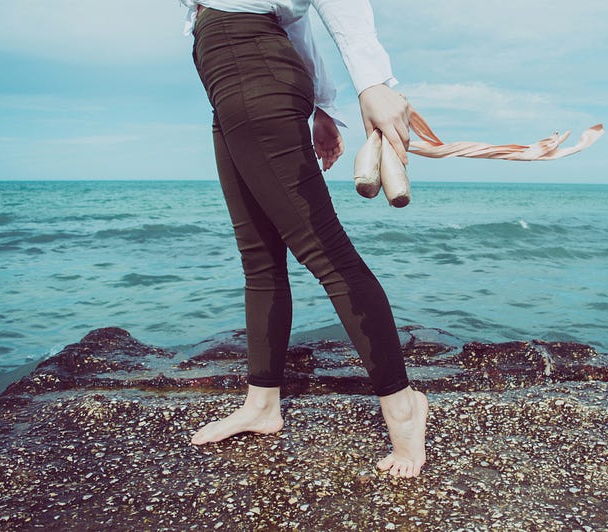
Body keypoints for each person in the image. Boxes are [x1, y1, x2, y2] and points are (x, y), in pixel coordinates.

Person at [180, 0, 428, 478]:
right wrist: (323, 105)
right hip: (230, 77)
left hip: (251, 67)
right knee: (259, 256)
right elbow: (291, 17)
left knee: (327, 254)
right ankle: (262, 403)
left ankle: (403, 410)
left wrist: (372, 83)